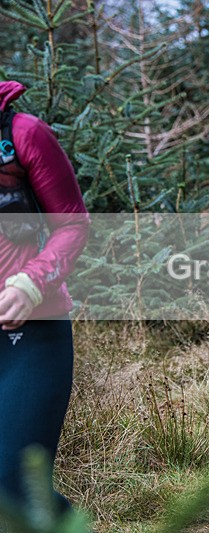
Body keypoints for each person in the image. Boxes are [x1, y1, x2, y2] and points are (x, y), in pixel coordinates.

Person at [0, 81, 90, 514]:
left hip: (31, 334)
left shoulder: (24, 134)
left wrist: (29, 283)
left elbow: (72, 223)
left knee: (15, 485)